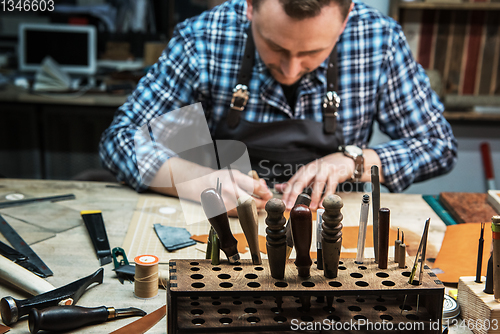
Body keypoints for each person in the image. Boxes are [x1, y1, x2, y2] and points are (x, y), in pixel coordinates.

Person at [99, 0, 457, 214]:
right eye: (276, 48)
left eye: (312, 53)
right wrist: (202, 183)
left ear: (345, 22)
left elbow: (436, 145)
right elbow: (120, 140)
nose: (290, 70)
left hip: (333, 223)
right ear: (251, 7)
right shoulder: (204, 37)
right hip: (222, 220)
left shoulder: (378, 40)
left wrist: (354, 160)